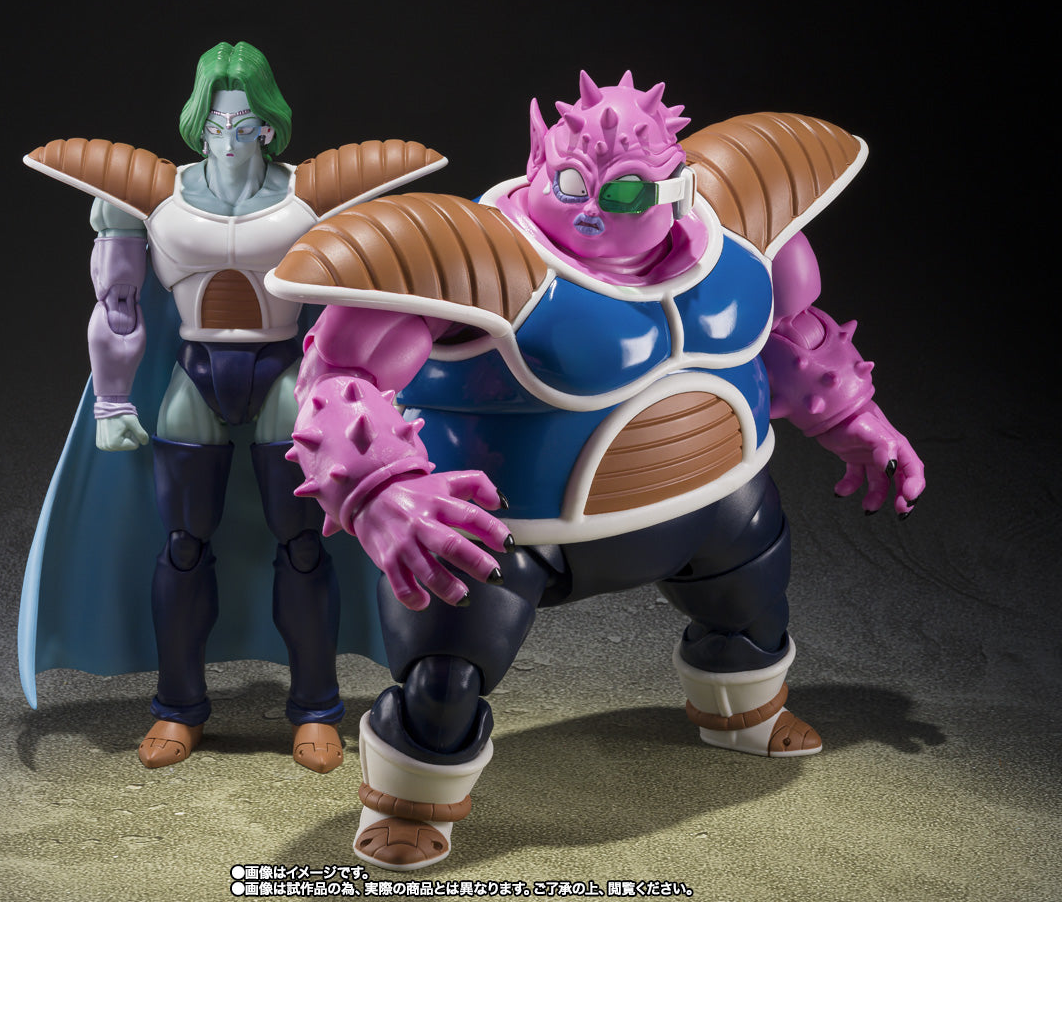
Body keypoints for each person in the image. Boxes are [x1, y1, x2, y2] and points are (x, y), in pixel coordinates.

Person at [267, 71, 925, 868]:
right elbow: (336, 379)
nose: (590, 210)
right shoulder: (475, 261)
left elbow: (793, 334)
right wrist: (381, 490)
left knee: (752, 607)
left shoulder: (743, 238)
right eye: (571, 184)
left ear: (675, 188)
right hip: (512, 532)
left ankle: (743, 710)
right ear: (539, 163)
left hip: (716, 503)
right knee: (445, 679)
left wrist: (857, 422)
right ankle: (412, 800)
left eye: (623, 194)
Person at [19, 40, 445, 772]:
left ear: (268, 126)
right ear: (198, 124)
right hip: (196, 373)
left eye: (242, 125)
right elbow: (117, 304)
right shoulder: (151, 199)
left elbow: (367, 299)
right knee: (183, 546)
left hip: (283, 373)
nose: (226, 140)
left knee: (303, 544)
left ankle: (316, 706)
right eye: (214, 125)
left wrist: (375, 391)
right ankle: (178, 706)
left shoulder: (309, 195)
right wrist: (112, 402)